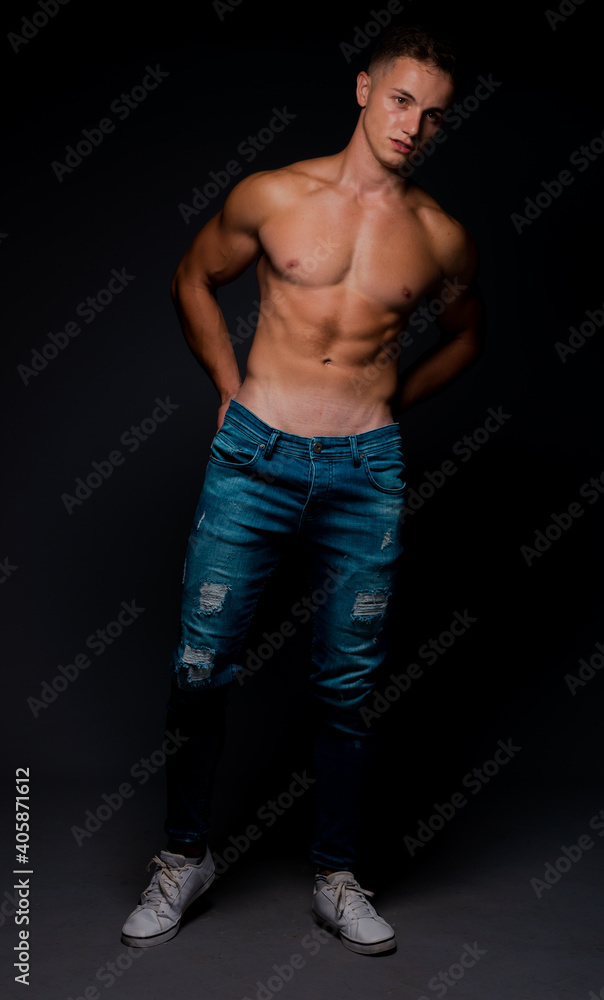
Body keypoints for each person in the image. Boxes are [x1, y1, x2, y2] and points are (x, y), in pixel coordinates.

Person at [121, 23, 485, 956]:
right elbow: (192, 278)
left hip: (365, 475)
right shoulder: (274, 194)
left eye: (433, 115)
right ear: (364, 89)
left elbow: (468, 338)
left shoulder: (440, 236)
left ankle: (336, 874)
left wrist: (392, 401)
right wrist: (227, 388)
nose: (413, 125)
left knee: (347, 688)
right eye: (401, 99)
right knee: (200, 669)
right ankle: (183, 857)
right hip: (256, 459)